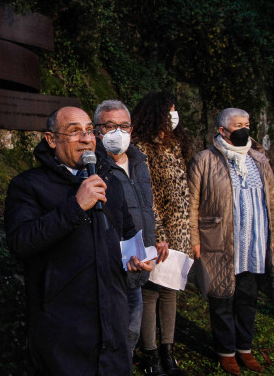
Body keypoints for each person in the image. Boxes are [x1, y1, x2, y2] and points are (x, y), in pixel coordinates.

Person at [4, 106, 152, 375]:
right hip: (63, 329)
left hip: (112, 323)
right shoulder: (28, 185)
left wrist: (136, 258)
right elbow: (21, 243)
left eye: (89, 131)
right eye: (74, 132)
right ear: (51, 139)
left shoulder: (110, 182)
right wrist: (75, 205)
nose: (86, 139)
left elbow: (126, 235)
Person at [188, 108, 274, 375]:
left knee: (247, 297)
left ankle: (245, 348)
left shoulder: (260, 160)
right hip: (218, 242)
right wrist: (194, 239)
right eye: (238, 125)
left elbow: (273, 201)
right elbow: (192, 202)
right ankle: (226, 351)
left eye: (247, 124)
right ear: (222, 131)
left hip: (253, 244)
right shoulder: (204, 160)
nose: (244, 129)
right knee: (221, 299)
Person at [94, 100, 170, 362]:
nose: (118, 132)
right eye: (110, 126)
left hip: (139, 269)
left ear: (132, 129)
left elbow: (147, 208)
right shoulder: (92, 167)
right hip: (110, 272)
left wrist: (155, 240)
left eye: (123, 126)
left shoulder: (140, 161)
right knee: (106, 340)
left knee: (129, 337)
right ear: (96, 131)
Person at [131, 92, 193, 376]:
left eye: (175, 110)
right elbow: (147, 195)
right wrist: (158, 232)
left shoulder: (176, 145)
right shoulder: (141, 147)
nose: (173, 115)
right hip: (157, 232)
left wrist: (188, 232)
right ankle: (150, 353)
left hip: (180, 233)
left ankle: (168, 349)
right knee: (150, 292)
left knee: (170, 292)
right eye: (169, 111)